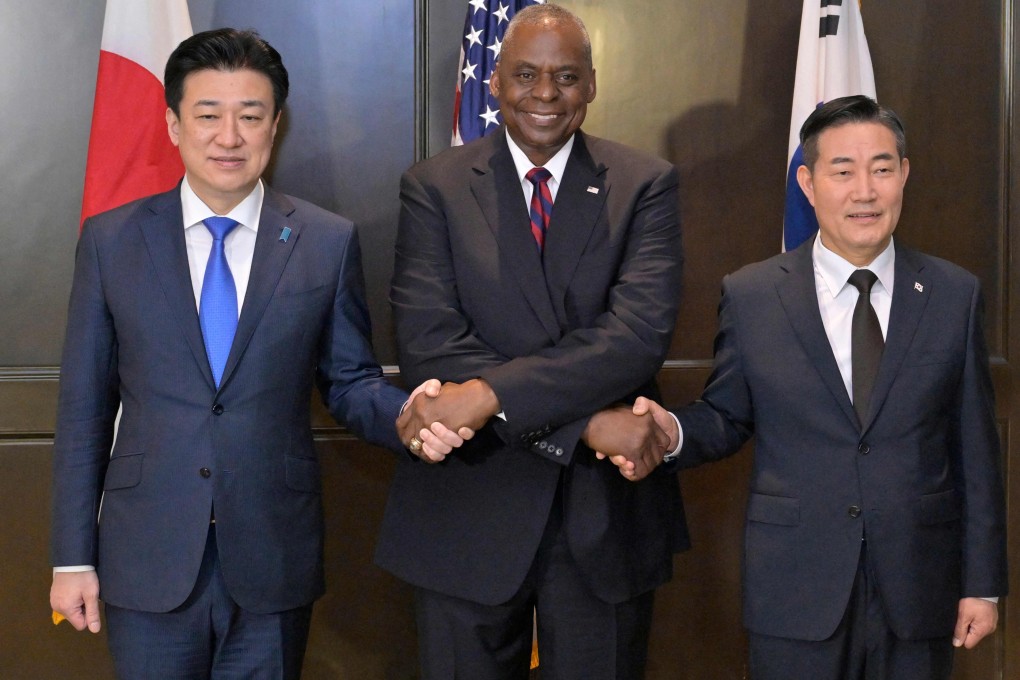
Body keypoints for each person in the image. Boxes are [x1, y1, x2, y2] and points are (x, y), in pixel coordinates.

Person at [48, 28, 465, 679]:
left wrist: (411, 415)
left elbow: (350, 381)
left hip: (272, 556)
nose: (229, 136)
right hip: (145, 556)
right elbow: (83, 411)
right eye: (208, 115)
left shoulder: (325, 242)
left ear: (277, 124)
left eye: (250, 116)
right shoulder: (112, 242)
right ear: (173, 124)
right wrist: (72, 557)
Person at [629, 95, 1008, 679]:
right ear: (807, 183)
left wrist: (983, 585)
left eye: (882, 169)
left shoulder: (954, 295)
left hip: (919, 589)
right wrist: (669, 431)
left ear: (904, 175)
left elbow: (976, 451)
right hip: (795, 588)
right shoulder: (754, 295)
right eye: (843, 171)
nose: (865, 191)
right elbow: (728, 415)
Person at [377, 5, 686, 678]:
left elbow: (634, 339)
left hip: (603, 516)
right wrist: (580, 427)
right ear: (494, 82)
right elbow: (432, 344)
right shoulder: (434, 186)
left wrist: (485, 393)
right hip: (468, 506)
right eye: (525, 74)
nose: (545, 94)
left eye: (565, 76)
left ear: (592, 84)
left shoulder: (645, 185)